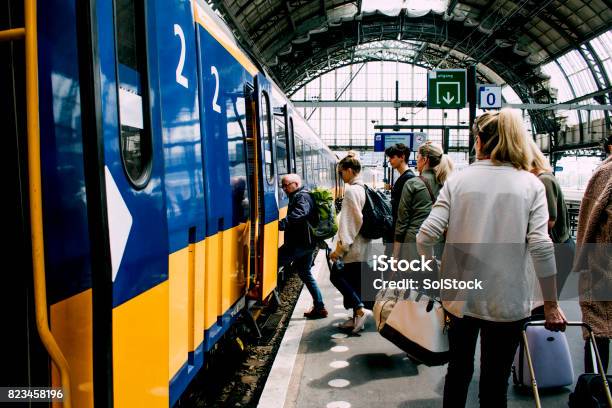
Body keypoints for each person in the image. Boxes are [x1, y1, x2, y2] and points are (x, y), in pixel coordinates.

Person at [416, 109, 567, 407]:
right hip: (508, 301)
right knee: (495, 383)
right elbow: (541, 245)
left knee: (458, 372)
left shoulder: (458, 181)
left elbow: (424, 236)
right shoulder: (531, 184)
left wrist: (436, 276)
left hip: (459, 299)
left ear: (479, 141)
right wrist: (550, 305)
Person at [575, 134, 612, 373]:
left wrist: (579, 262)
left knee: (597, 328)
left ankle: (597, 390)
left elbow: (589, 219)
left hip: (603, 265)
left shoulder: (606, 173)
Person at [527, 139, 575, 303]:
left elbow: (548, 221)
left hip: (558, 250)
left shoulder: (544, 180)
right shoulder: (543, 178)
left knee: (543, 301)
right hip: (559, 247)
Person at [329, 153, 373, 333]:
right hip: (364, 245)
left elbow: (350, 224)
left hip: (353, 248)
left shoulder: (352, 191)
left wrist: (339, 250)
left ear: (349, 170)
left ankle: (360, 310)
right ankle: (356, 316)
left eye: (341, 173)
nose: (341, 177)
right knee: (355, 282)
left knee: (336, 276)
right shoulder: (364, 188)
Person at [278, 174, 327, 319]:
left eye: (286, 185)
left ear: (295, 184)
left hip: (299, 243)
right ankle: (320, 307)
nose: (284, 189)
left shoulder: (302, 197)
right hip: (306, 243)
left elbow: (301, 213)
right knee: (305, 273)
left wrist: (283, 223)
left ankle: (262, 295)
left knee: (271, 263)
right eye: (283, 186)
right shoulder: (299, 195)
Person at [394, 142, 453, 260]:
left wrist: (395, 255)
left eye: (418, 157)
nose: (416, 161)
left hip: (413, 246)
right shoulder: (447, 183)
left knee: (412, 278)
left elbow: (402, 223)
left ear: (425, 159)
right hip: (438, 242)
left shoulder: (413, 183)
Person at [385, 143, 415, 234]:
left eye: (392, 157)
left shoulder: (408, 178)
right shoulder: (404, 177)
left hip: (401, 229)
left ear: (402, 157)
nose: (389, 160)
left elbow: (405, 210)